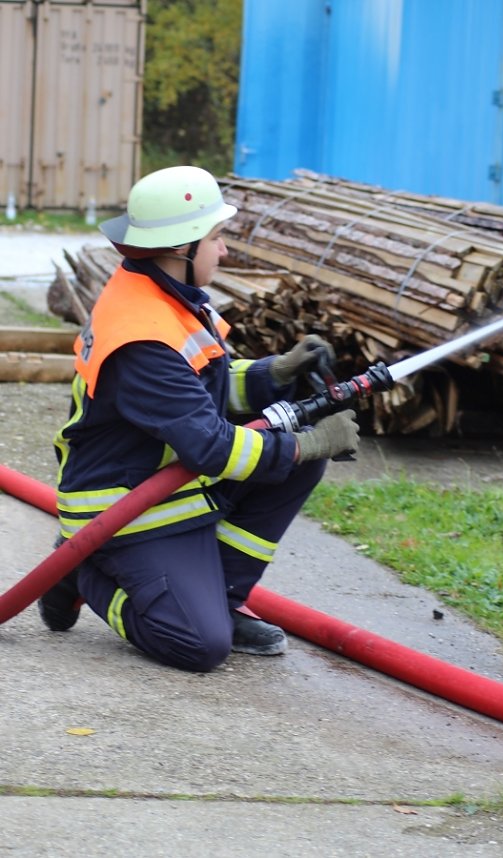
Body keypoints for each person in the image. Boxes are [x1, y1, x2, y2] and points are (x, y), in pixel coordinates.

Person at [38, 165, 360, 672]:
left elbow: (203, 387)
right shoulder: (142, 337)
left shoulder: (163, 297)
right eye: (218, 237)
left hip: (162, 482)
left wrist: (275, 373)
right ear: (180, 247)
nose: (225, 250)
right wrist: (308, 444)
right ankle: (84, 573)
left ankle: (223, 598)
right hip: (123, 509)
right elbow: (212, 446)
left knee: (294, 461)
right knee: (196, 644)